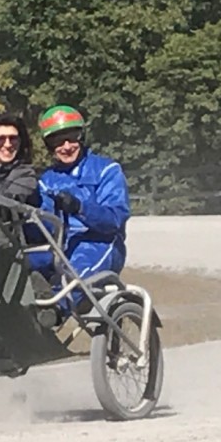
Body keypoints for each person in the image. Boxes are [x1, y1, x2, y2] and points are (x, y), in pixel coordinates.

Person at [28, 104, 130, 308]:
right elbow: (44, 228)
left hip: (102, 243)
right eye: (57, 141)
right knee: (16, 263)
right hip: (62, 247)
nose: (66, 146)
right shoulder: (46, 180)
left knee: (75, 275)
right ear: (49, 145)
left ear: (82, 137)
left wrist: (79, 208)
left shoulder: (107, 170)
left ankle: (54, 311)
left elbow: (115, 219)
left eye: (71, 138)